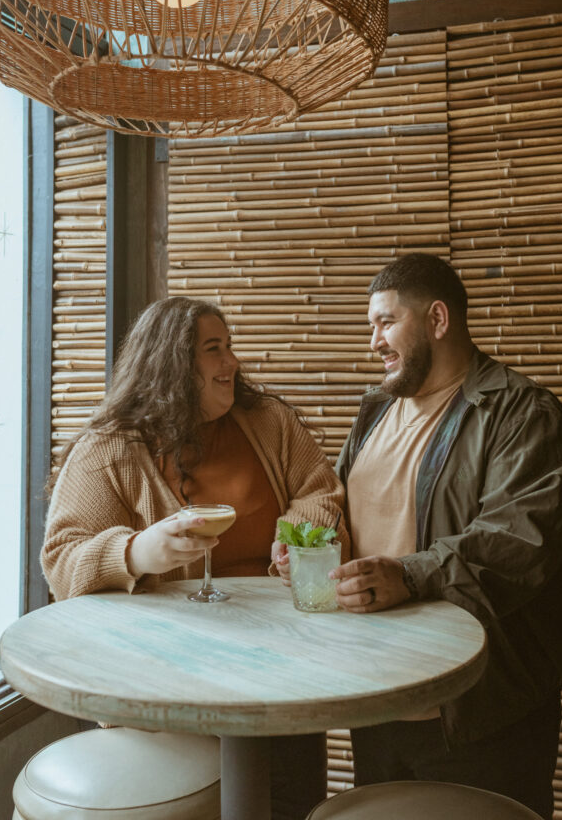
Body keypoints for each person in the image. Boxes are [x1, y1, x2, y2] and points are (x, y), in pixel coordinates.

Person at [42, 294, 349, 820]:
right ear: (172, 363)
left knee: (297, 802)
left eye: (229, 347)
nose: (232, 363)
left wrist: (295, 537)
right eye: (214, 350)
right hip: (165, 684)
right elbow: (62, 560)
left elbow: (320, 491)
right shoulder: (110, 447)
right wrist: (137, 552)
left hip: (284, 666)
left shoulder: (267, 422)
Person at [328, 252, 562, 820]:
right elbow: (343, 509)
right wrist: (310, 547)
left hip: (481, 708)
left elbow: (518, 543)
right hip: (378, 698)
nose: (373, 341)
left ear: (438, 320)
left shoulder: (526, 414)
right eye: (370, 325)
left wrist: (408, 574)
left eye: (385, 322)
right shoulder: (374, 411)